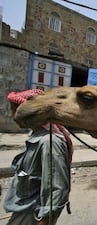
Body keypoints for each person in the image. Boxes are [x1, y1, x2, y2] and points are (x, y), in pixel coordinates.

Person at [4, 89, 73, 225]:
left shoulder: (49, 141)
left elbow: (57, 188)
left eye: (16, 110)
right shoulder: (36, 136)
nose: (14, 115)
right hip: (22, 209)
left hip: (33, 215)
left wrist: (46, 219)